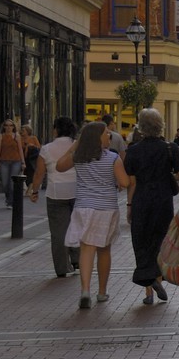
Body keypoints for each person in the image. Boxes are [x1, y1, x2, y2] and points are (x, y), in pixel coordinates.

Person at [56, 120, 129, 309]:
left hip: (83, 208)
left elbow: (59, 166)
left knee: (86, 250)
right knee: (104, 250)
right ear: (96, 138)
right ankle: (102, 291)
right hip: (106, 208)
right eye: (106, 133)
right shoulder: (113, 158)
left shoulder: (78, 157)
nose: (109, 136)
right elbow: (125, 182)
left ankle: (85, 290)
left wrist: (75, 145)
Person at [122, 108, 177, 306]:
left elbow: (132, 182)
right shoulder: (170, 148)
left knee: (142, 241)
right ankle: (157, 279)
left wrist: (129, 205)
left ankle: (148, 291)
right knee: (160, 242)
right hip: (163, 200)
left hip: (141, 200)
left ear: (141, 127)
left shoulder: (133, 150)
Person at [29, 117, 78, 277]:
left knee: (58, 232)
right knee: (78, 226)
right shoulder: (77, 146)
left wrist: (34, 191)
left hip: (56, 193)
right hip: (78, 192)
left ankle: (62, 267)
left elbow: (39, 173)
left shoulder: (47, 149)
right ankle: (78, 259)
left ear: (56, 130)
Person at [0, 118, 23, 205]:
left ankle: (10, 201)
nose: (8, 127)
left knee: (11, 183)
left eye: (10, 125)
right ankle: (8, 197)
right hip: (3, 161)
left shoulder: (16, 136)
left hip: (16, 161)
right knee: (5, 183)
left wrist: (23, 162)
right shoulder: (1, 136)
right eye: (6, 125)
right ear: (4, 127)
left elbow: (20, 149)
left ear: (13, 127)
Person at [18, 124, 40, 190]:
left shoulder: (33, 138)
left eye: (23, 130)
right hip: (23, 158)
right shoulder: (20, 139)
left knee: (31, 173)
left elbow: (38, 147)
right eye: (21, 130)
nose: (22, 132)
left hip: (31, 159)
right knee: (25, 173)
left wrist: (31, 146)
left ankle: (30, 188)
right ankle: (28, 187)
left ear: (28, 131)